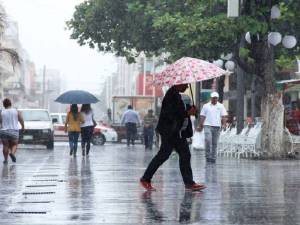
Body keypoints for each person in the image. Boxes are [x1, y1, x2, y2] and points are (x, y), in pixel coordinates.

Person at [140, 84, 206, 191]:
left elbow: (181, 110)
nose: (187, 87)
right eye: (185, 84)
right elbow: (172, 115)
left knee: (185, 155)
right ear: (178, 84)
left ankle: (189, 183)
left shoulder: (177, 95)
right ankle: (145, 179)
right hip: (169, 132)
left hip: (178, 133)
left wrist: (192, 110)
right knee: (163, 155)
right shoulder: (170, 96)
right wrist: (187, 113)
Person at [197, 92, 227, 163]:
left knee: (214, 143)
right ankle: (208, 156)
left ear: (217, 98)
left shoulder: (221, 106)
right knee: (208, 140)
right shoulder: (206, 106)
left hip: (217, 126)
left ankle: (213, 158)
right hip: (207, 125)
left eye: (216, 98)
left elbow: (223, 116)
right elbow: (202, 116)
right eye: (213, 98)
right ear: (211, 98)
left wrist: (224, 124)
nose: (215, 99)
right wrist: (200, 125)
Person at [0, 98, 24, 164]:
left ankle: (5, 160)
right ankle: (12, 153)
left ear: (4, 105)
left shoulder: (1, 111)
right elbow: (21, 119)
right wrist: (23, 127)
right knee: (14, 144)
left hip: (4, 131)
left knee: (5, 145)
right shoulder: (16, 111)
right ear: (10, 104)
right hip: (14, 131)